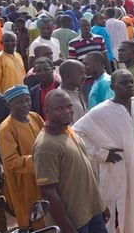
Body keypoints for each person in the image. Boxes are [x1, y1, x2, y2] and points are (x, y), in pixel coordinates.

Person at [73, 70, 134, 233]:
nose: (129, 85)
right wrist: (102, 154)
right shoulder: (101, 111)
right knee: (121, 215)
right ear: (112, 86)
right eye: (124, 83)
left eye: (131, 82)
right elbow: (75, 133)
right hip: (118, 171)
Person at [32, 89, 109, 233]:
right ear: (46, 111)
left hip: (92, 213)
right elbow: (48, 192)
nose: (67, 111)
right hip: (74, 222)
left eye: (69, 106)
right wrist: (67, 228)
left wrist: (100, 205)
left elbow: (86, 174)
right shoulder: (46, 146)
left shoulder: (68, 131)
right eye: (59, 108)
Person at [0, 85, 45, 229]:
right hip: (24, 183)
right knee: (32, 220)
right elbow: (11, 161)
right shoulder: (6, 128)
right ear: (9, 104)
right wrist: (39, 161)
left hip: (44, 176)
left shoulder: (35, 117)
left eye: (27, 100)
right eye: (19, 102)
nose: (24, 105)